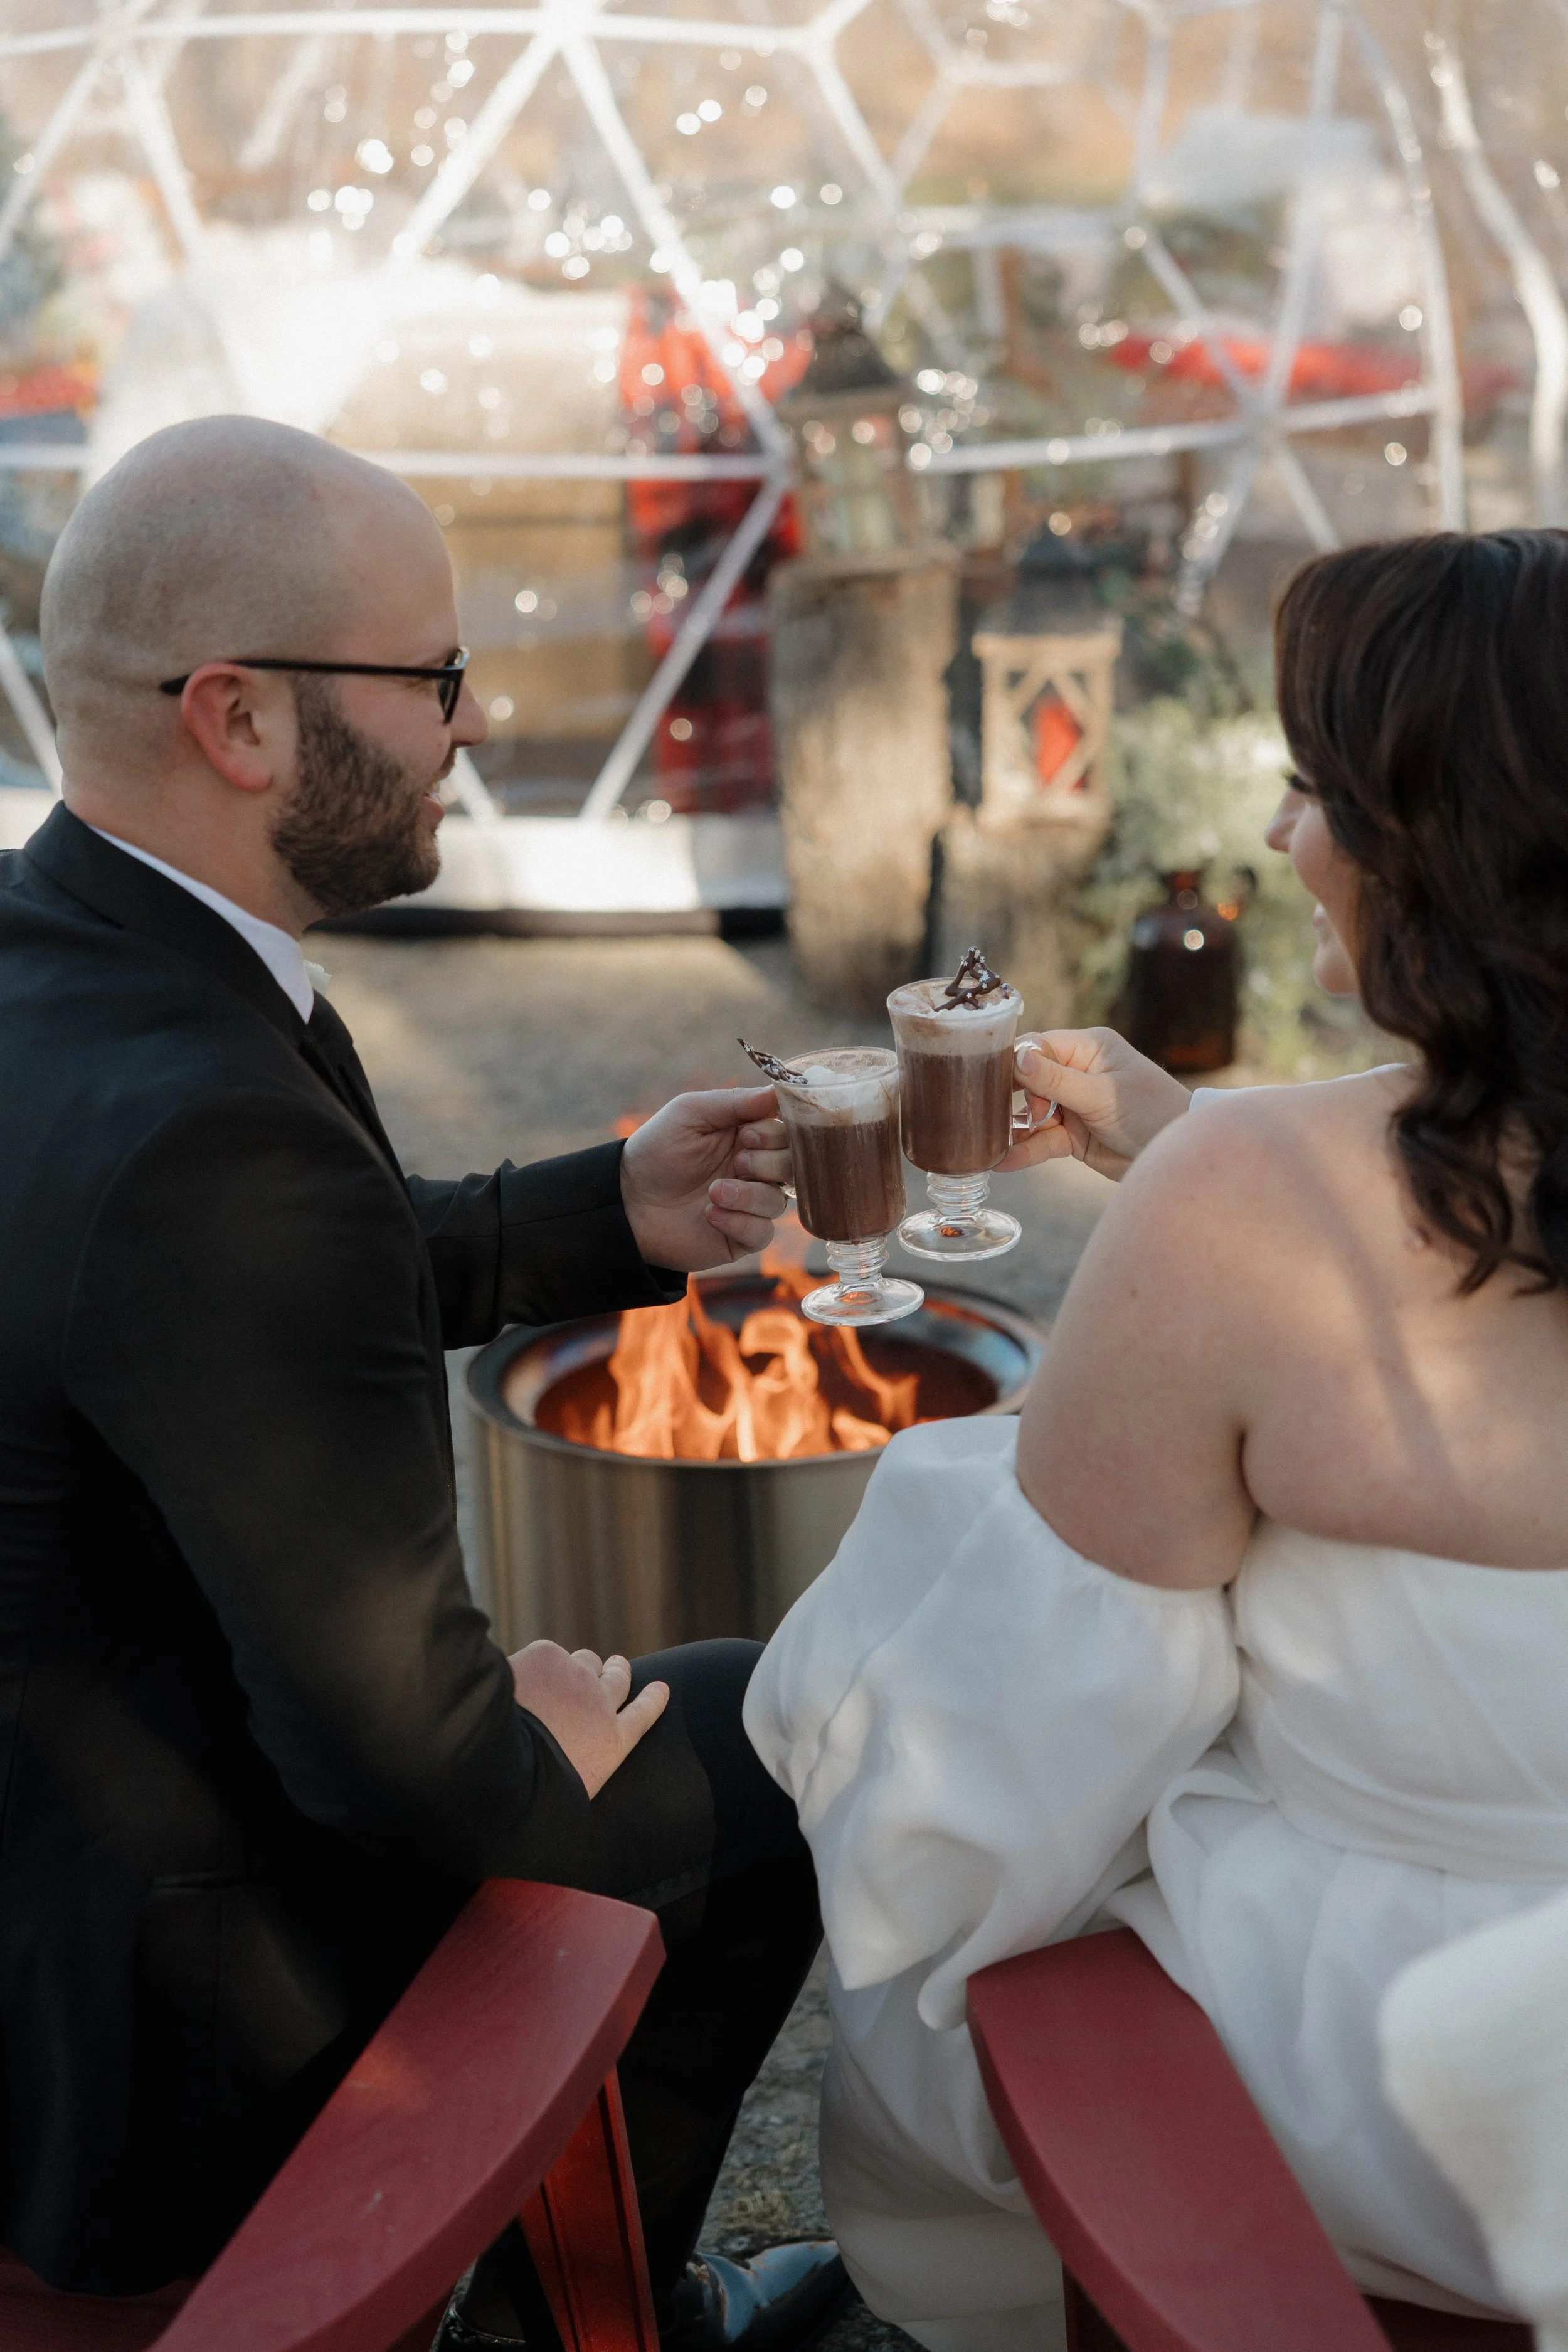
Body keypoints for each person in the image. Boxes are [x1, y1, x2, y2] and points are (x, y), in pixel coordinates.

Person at [0, 415, 848, 2351]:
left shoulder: (63, 957)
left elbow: (218, 1306)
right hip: (156, 2026)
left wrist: (604, 1214)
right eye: (436, 674)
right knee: (793, 1728)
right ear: (240, 719)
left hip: (50, 1881)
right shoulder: (215, 1134)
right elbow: (402, 1771)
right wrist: (522, 1734)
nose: (476, 720)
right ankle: (580, 2328)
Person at [745, 526, 1568, 2349]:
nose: (1284, 844)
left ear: (1435, 846)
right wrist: (1199, 1145)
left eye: (1311, 789)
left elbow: (1002, 1746)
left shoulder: (1249, 1206)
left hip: (1431, 2080)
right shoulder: (1247, 1189)